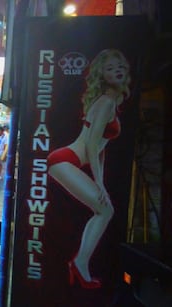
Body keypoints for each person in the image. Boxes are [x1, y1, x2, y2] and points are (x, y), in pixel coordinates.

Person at [47, 49, 131, 289]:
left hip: (72, 159)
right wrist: (100, 184)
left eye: (120, 66)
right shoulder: (105, 103)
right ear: (101, 75)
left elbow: (100, 147)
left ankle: (79, 263)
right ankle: (80, 263)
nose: (117, 70)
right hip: (64, 159)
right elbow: (93, 146)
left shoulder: (109, 103)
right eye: (110, 67)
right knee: (105, 210)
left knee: (104, 210)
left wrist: (99, 181)